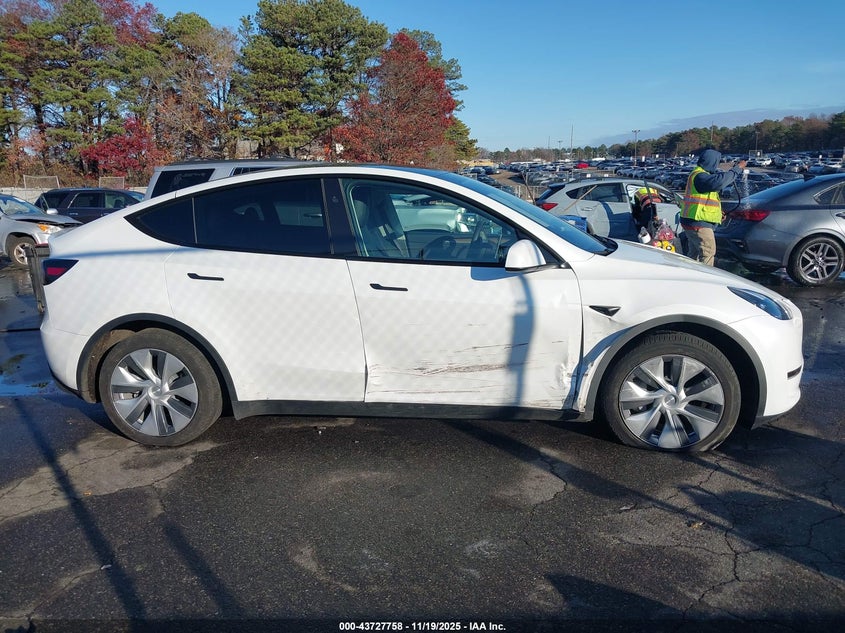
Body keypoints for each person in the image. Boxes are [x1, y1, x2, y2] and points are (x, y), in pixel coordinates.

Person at [680, 148, 747, 266]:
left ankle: (690, 278)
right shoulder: (700, 176)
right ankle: (705, 281)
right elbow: (719, 183)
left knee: (694, 255)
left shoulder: (700, 175)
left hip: (692, 221)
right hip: (698, 223)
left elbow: (705, 201)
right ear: (712, 162)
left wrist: (717, 214)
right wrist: (737, 169)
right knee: (708, 253)